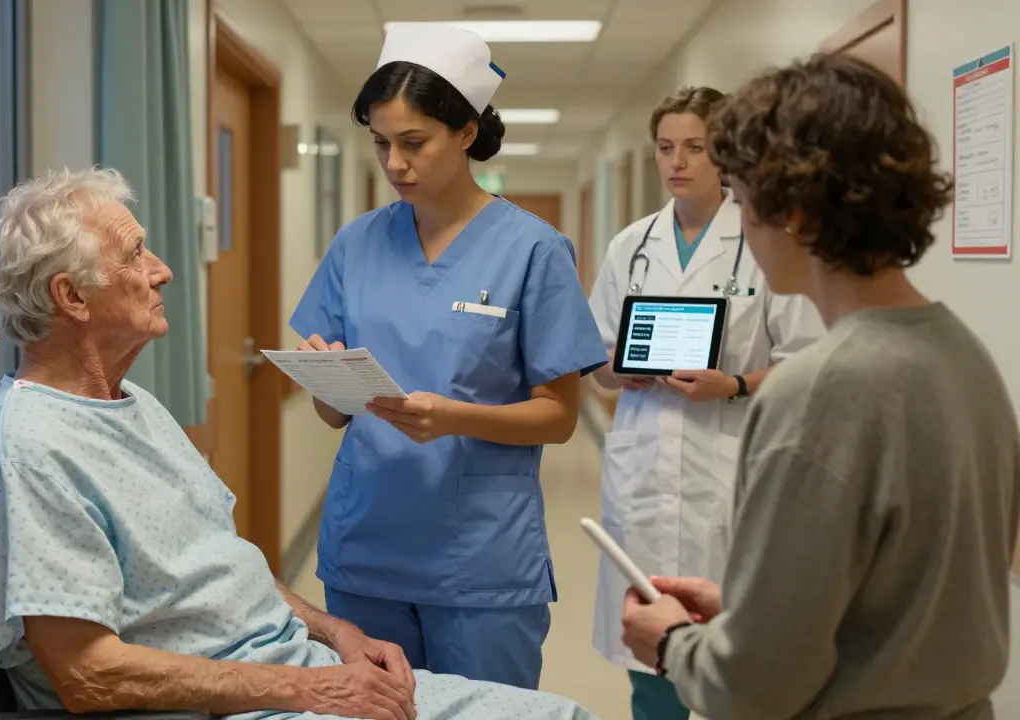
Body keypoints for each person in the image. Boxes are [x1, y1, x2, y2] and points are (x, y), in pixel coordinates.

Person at [0, 167, 598, 720]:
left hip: (292, 671)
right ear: (71, 297)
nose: (163, 271)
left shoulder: (132, 408)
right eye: (136, 254)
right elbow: (88, 675)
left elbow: (218, 563)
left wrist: (336, 633)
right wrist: (314, 687)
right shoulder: (25, 455)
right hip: (251, 702)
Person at [620, 53, 1020, 719]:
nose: (743, 227)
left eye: (745, 204)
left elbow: (750, 688)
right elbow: (899, 598)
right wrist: (749, 609)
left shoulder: (818, 392)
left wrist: (672, 644)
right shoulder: (963, 356)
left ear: (796, 214)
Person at [289, 24, 607, 691]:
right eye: (381, 143)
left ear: (466, 132)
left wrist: (454, 417)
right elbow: (332, 417)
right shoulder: (357, 244)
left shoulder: (533, 250)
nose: (394, 164)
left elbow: (558, 417)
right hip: (365, 546)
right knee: (373, 706)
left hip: (479, 558)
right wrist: (326, 378)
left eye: (414, 142)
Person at [586, 86, 823, 719]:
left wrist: (736, 384)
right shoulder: (630, 248)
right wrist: (619, 369)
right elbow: (594, 363)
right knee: (650, 660)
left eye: (695, 147)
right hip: (643, 465)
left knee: (736, 658)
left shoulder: (766, 241)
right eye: (665, 147)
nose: (677, 162)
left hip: (731, 465)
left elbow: (810, 364)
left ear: (728, 153)